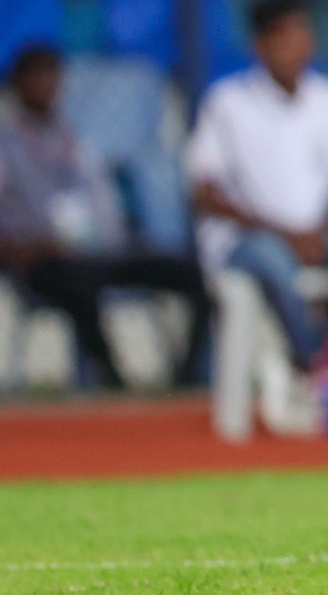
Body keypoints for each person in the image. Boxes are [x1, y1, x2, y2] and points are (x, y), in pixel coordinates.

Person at [186, 0, 328, 375]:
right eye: (284, 37)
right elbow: (205, 192)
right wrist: (285, 234)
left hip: (320, 233)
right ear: (260, 46)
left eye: (302, 34)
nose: (296, 47)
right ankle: (313, 363)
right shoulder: (227, 102)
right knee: (277, 267)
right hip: (251, 238)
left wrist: (318, 232)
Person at [0, 45, 212, 389]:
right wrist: (30, 249)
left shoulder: (74, 137)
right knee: (77, 288)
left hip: (101, 250)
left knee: (195, 279)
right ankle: (112, 377)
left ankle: (185, 377)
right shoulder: (6, 145)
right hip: (42, 260)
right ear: (17, 85)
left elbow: (102, 204)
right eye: (36, 77)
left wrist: (116, 236)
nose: (46, 85)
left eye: (52, 76)